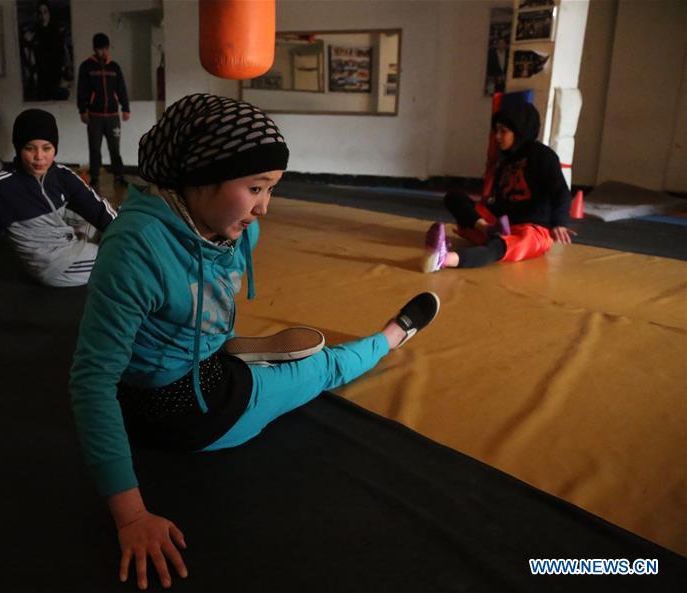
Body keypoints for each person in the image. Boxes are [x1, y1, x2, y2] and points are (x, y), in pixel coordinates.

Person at [69, 94, 441, 589]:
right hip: (183, 413)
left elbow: (210, 286)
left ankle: (232, 353)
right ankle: (391, 337)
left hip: (196, 365)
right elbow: (92, 382)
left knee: (223, 337)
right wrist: (131, 517)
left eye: (271, 189)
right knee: (322, 368)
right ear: (200, 177)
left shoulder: (232, 227)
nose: (265, 206)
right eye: (255, 187)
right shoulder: (135, 249)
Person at [0, 109, 116, 312]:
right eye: (30, 148)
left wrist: (127, 232)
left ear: (55, 149)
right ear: (18, 148)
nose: (39, 157)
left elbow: (98, 209)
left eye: (47, 148)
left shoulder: (61, 175)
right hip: (54, 264)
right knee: (119, 258)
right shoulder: (1, 186)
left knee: (111, 227)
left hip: (68, 239)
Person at [422, 101, 575, 273]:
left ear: (519, 131)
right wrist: (483, 217)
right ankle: (484, 229)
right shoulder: (505, 161)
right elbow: (500, 199)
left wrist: (559, 222)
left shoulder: (543, 156)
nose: (497, 137)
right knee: (454, 197)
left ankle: (446, 258)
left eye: (503, 131)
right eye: (497, 131)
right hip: (501, 223)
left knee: (499, 246)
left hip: (532, 228)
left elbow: (560, 190)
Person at [77, 32, 130, 187]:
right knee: (94, 148)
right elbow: (82, 90)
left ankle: (119, 176)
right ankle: (95, 177)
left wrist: (126, 108)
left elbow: (121, 89)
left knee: (115, 148)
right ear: (95, 49)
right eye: (100, 49)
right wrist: (82, 110)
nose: (103, 52)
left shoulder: (115, 67)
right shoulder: (86, 67)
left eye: (106, 49)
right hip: (95, 116)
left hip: (113, 116)